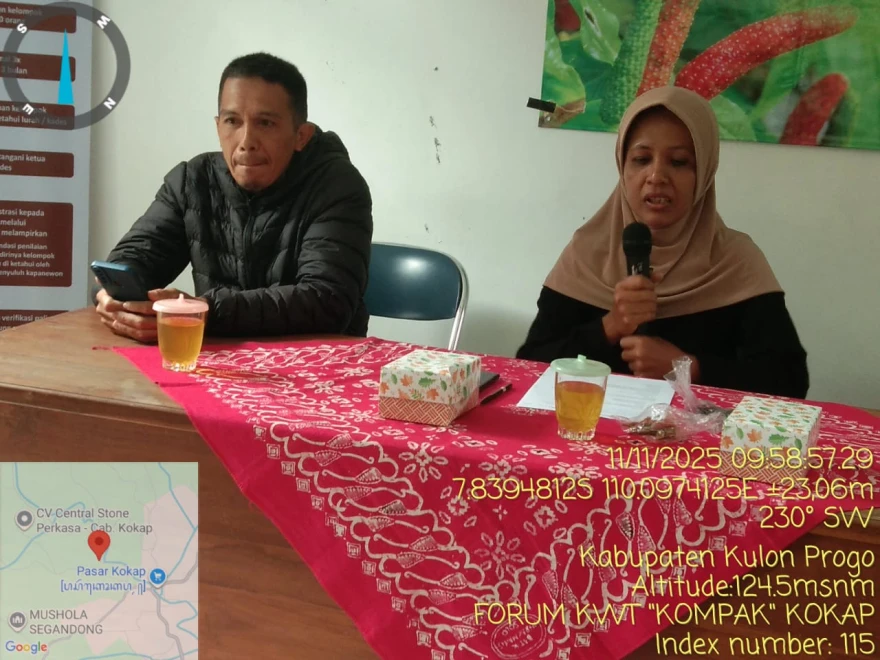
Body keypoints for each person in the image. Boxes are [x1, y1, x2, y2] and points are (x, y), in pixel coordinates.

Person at [517, 86, 809, 398]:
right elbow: (529, 364)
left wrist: (690, 369)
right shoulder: (587, 252)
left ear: (704, 172)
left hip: (698, 429)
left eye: (679, 162)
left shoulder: (735, 260)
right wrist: (611, 325)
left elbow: (789, 380)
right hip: (591, 425)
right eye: (641, 159)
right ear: (623, 166)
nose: (656, 176)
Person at [94, 52, 373, 342]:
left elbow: (327, 301)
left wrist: (205, 311)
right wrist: (115, 297)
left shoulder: (337, 185)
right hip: (214, 358)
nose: (246, 142)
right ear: (218, 127)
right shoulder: (193, 180)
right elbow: (132, 259)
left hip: (321, 361)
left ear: (301, 135)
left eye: (265, 123)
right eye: (232, 121)